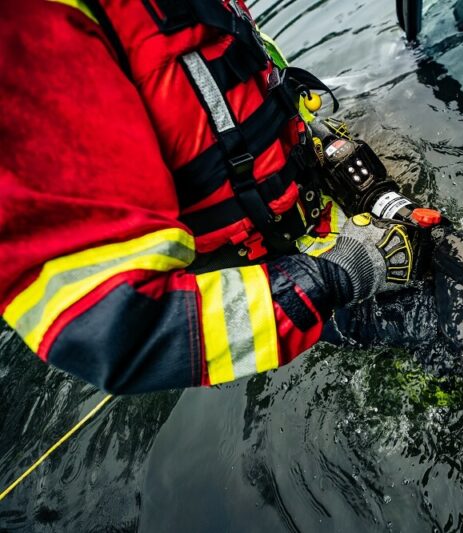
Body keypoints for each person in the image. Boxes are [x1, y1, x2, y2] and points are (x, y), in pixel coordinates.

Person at [0, 0, 431, 394]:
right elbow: (119, 332)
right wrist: (331, 280)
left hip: (318, 212)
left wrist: (311, 137)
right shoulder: (29, 33)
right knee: (436, 348)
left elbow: (233, 81)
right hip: (272, 281)